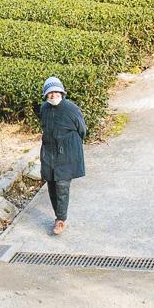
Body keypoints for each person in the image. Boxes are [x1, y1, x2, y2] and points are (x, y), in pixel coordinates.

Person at [37, 76, 86, 235]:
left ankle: (60, 220)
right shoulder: (44, 108)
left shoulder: (71, 108)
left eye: (56, 92)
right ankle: (58, 215)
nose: (53, 95)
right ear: (46, 95)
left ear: (62, 93)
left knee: (62, 186)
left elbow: (82, 130)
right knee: (51, 184)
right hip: (49, 153)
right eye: (50, 93)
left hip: (67, 154)